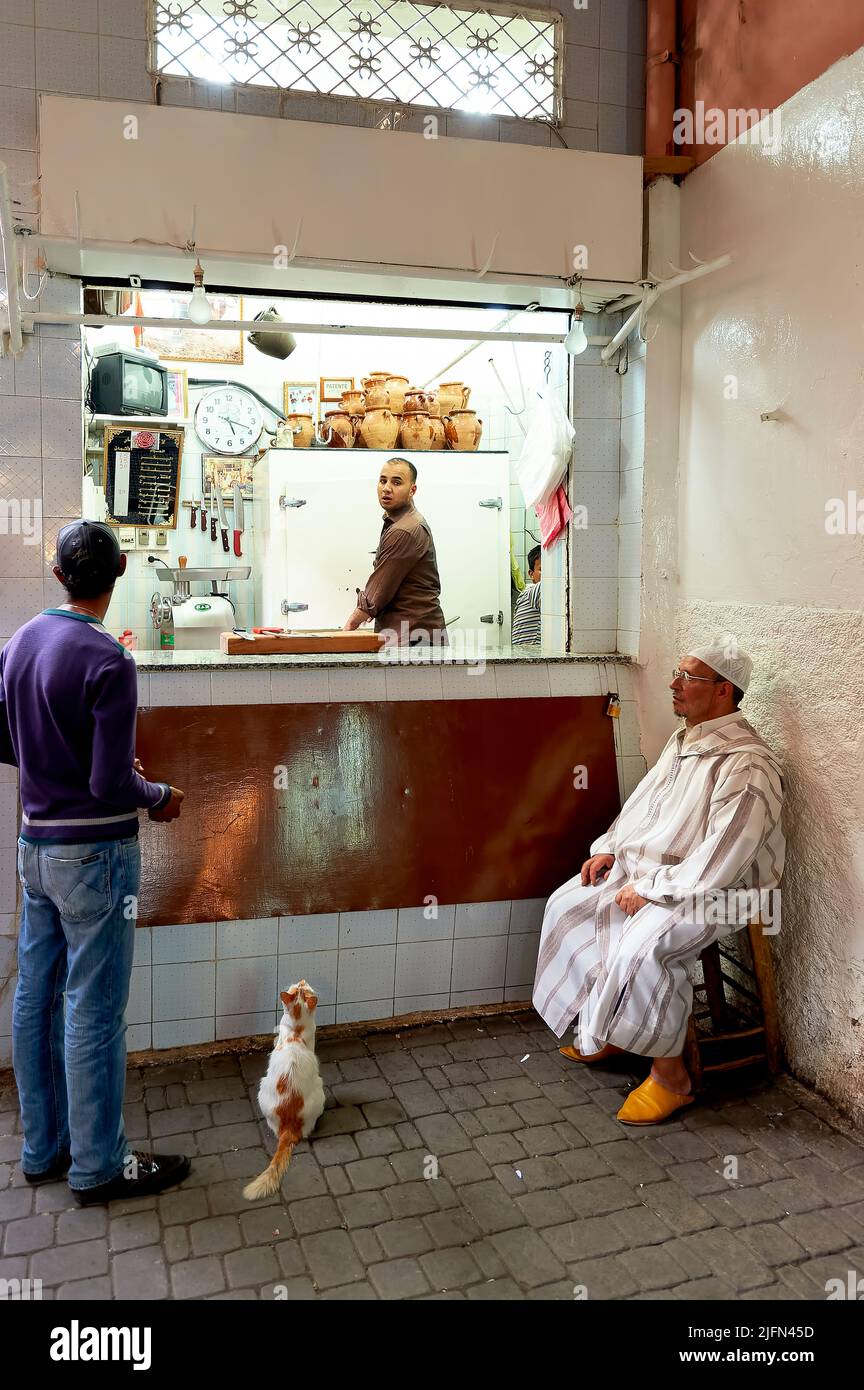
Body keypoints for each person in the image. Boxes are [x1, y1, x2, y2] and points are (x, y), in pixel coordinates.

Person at [0, 521, 191, 1205]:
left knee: (36, 999)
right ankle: (99, 1167)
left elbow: (12, 739)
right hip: (97, 858)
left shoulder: (16, 643)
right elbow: (113, 785)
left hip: (36, 850)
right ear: (118, 578)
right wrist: (160, 795)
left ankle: (42, 1150)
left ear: (59, 575)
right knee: (94, 1009)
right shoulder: (109, 658)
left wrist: (55, 761)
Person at [532, 637, 785, 1125]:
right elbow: (643, 807)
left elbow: (723, 860)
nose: (674, 685)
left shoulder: (747, 764)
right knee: (571, 904)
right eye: (678, 673)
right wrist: (610, 844)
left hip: (727, 894)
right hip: (667, 875)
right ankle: (605, 1031)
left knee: (644, 944)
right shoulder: (685, 740)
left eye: (688, 677)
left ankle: (672, 1077)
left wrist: (650, 889)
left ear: (723, 691)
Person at [342, 457, 446, 646]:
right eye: (383, 481)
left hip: (413, 639)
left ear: (412, 490)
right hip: (414, 636)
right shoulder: (403, 523)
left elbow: (376, 593)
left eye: (396, 482)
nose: (387, 488)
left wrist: (348, 627)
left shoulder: (404, 530)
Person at [512, 545, 541, 646]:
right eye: (542, 569)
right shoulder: (534, 591)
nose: (549, 573)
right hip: (530, 658)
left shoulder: (526, 593)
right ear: (531, 574)